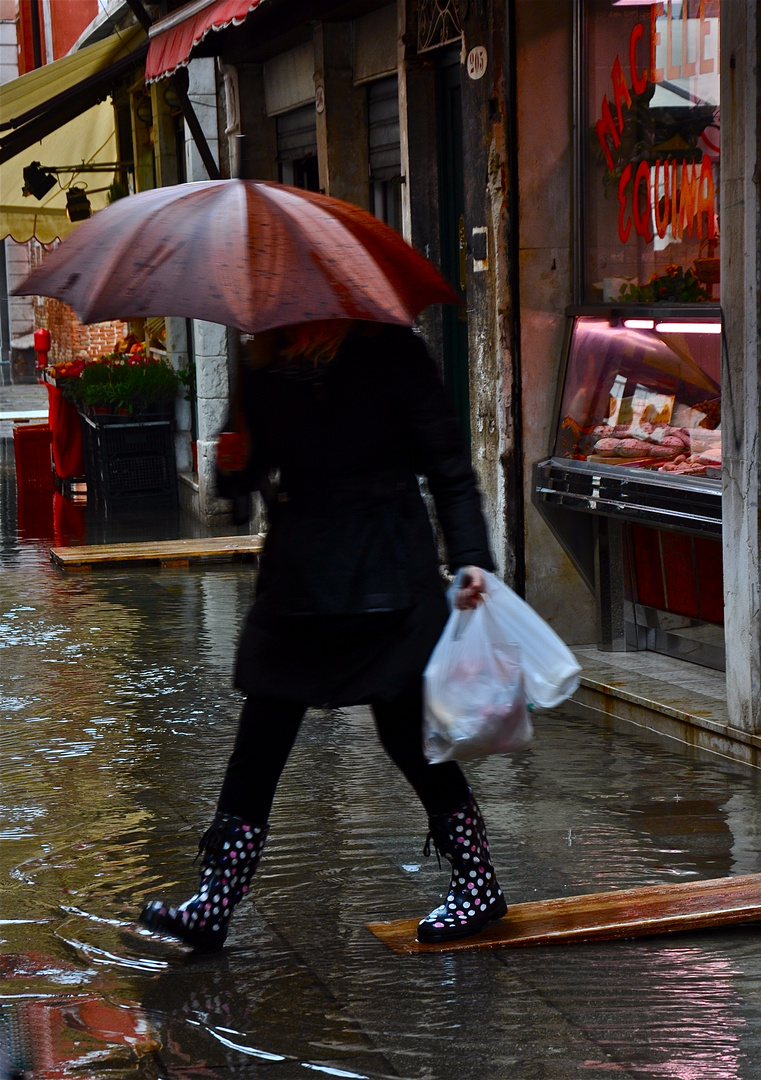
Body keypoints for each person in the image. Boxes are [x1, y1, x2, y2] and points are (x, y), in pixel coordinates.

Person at [139, 318, 506, 951]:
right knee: (263, 729)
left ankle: (477, 882)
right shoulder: (265, 357)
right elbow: (243, 484)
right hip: (301, 576)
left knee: (406, 731)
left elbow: (447, 464)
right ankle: (215, 900)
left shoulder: (392, 351)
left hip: (385, 570)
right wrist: (233, 460)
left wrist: (472, 555)